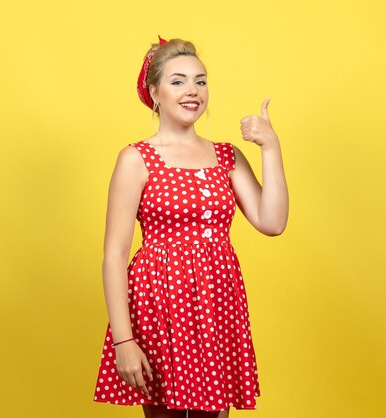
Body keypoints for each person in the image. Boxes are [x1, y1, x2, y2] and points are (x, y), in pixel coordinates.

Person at [93, 35, 289, 418]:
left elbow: (272, 221)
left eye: (200, 81)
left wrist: (270, 146)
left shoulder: (226, 156)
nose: (192, 91)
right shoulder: (136, 159)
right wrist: (123, 340)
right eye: (178, 81)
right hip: (159, 305)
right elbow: (114, 255)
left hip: (217, 305)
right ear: (155, 93)